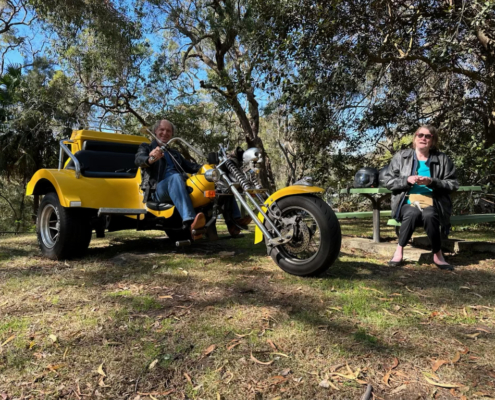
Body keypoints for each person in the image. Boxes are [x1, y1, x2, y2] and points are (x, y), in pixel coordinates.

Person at [135, 119, 250, 239]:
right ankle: (190, 222)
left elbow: (190, 166)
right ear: (155, 131)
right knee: (176, 177)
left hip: (179, 186)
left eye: (168, 131)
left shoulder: (174, 153)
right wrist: (151, 158)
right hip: (158, 189)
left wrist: (211, 169)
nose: (165, 133)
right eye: (162, 130)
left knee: (221, 183)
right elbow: (139, 160)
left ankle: (234, 223)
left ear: (172, 134)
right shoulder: (146, 147)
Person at [384, 125, 459, 270]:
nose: (423, 138)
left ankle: (438, 254)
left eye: (428, 136)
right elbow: (388, 181)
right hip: (406, 201)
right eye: (420, 135)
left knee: (430, 215)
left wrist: (432, 182)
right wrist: (406, 180)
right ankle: (399, 251)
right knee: (412, 212)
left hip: (433, 202)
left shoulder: (442, 159)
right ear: (415, 138)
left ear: (433, 140)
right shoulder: (401, 157)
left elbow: (453, 184)